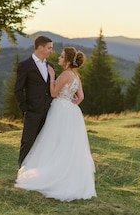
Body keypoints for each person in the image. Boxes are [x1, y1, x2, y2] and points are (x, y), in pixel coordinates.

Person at [15, 46, 96, 201]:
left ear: (66, 61)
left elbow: (53, 93)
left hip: (60, 109)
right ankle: (67, 172)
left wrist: (52, 76)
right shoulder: (76, 76)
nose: (58, 58)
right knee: (66, 142)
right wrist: (72, 101)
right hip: (71, 111)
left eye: (61, 56)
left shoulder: (65, 74)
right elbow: (81, 97)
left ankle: (52, 172)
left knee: (53, 140)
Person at [14, 35, 55, 167]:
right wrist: (25, 108)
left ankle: (39, 169)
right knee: (27, 140)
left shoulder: (50, 66)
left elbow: (53, 86)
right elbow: (18, 89)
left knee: (44, 141)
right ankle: (21, 168)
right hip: (32, 111)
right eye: (49, 48)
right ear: (40, 47)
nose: (51, 51)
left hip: (48, 110)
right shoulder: (25, 65)